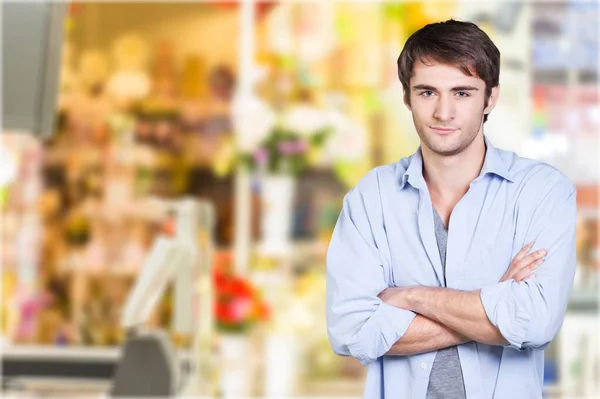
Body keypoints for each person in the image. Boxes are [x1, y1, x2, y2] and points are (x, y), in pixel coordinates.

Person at [326, 20, 576, 399]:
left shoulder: (542, 191)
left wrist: (411, 297)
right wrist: (493, 303)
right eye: (428, 92)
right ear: (407, 97)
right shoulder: (371, 197)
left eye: (462, 93)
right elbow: (351, 330)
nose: (444, 112)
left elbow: (536, 322)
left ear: (489, 98)